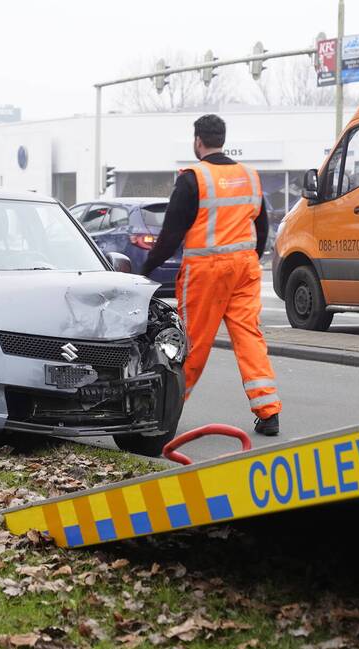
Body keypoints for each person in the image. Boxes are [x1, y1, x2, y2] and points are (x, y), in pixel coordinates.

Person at [141, 114, 281, 436]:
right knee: (249, 336)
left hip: (206, 272)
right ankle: (268, 411)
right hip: (245, 268)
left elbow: (170, 236)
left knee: (191, 343)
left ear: (198, 141)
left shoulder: (194, 179)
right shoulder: (249, 176)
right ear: (222, 139)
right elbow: (261, 228)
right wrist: (248, 261)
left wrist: (144, 270)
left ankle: (166, 416)